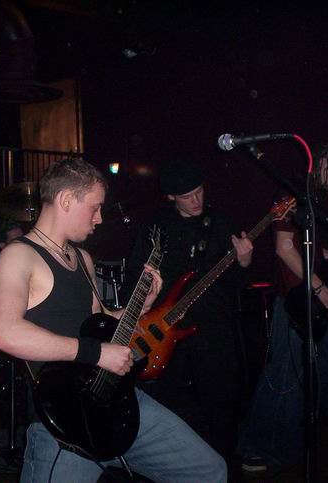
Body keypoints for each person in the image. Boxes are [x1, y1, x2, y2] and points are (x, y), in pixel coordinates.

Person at [0, 157, 227, 483]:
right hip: (63, 416)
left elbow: (98, 321)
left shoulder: (83, 258)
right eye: (95, 208)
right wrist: (97, 353)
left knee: (209, 471)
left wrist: (140, 307)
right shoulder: (19, 255)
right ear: (66, 200)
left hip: (114, 395)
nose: (99, 219)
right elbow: (7, 333)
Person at [237, 142, 328, 475]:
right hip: (295, 301)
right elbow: (284, 248)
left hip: (322, 300)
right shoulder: (289, 195)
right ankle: (260, 450)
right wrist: (318, 287)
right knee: (286, 379)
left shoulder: (314, 202)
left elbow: (317, 255)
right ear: (322, 165)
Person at [122, 159, 254, 461]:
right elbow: (135, 276)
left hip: (213, 325)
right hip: (163, 328)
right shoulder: (156, 228)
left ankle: (223, 466)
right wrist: (140, 314)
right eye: (186, 196)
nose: (196, 201)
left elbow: (239, 283)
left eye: (199, 192)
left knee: (222, 402)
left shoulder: (221, 223)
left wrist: (245, 262)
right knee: (161, 401)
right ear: (171, 196)